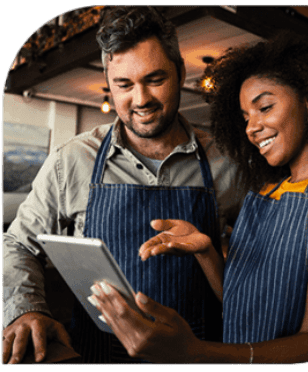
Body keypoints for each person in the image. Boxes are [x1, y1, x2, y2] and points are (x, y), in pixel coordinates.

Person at [88, 31, 308, 363]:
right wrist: (205, 251)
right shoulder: (267, 188)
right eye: (245, 117)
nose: (252, 128)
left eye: (265, 107)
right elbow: (240, 299)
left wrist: (197, 352)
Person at [2, 5, 244, 364]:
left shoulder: (229, 162)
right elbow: (18, 243)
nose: (141, 99)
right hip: (96, 357)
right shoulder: (72, 160)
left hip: (199, 356)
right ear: (109, 83)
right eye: (124, 84)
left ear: (180, 72)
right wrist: (26, 310)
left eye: (155, 79)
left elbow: (259, 265)